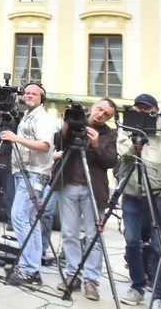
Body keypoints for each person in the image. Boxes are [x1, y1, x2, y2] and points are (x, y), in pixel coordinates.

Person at [116, 94, 161, 307]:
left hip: (158, 196)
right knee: (132, 241)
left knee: (158, 246)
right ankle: (137, 286)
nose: (143, 112)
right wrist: (136, 138)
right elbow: (122, 153)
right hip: (132, 194)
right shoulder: (127, 129)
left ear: (155, 109)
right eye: (139, 109)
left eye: (147, 109)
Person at [56, 98, 118, 301]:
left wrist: (97, 144)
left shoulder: (110, 134)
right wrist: (67, 125)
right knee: (69, 233)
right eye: (99, 109)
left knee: (94, 237)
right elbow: (59, 144)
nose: (100, 114)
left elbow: (110, 161)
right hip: (69, 185)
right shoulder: (77, 122)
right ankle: (73, 274)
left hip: (94, 190)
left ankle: (91, 280)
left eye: (106, 114)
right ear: (93, 107)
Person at [1, 83, 56, 288]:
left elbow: (44, 146)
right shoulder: (27, 116)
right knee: (30, 222)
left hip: (34, 174)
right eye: (28, 93)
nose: (30, 96)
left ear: (42, 98)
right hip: (23, 172)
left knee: (20, 218)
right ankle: (30, 268)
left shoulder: (44, 118)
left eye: (35, 93)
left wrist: (15, 138)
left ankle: (29, 269)